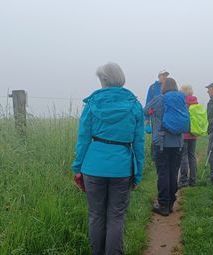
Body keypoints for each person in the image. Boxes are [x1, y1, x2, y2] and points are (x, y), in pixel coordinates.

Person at [71, 62, 145, 255]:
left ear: (103, 80)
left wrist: (77, 168)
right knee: (116, 217)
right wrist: (137, 174)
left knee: (96, 216)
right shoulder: (134, 106)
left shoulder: (92, 104)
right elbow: (138, 144)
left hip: (93, 167)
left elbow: (83, 139)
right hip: (121, 169)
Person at [144, 77, 184, 216]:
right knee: (173, 173)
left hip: (161, 143)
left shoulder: (159, 99)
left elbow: (146, 110)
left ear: (163, 87)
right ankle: (171, 202)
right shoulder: (181, 99)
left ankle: (163, 206)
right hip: (178, 143)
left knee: (163, 174)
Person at [145, 70, 170, 161]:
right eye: (163, 75)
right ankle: (154, 159)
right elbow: (148, 103)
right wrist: (147, 120)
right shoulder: (152, 87)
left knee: (166, 135)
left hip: (166, 115)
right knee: (155, 136)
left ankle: (164, 155)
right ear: (159, 76)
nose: (165, 77)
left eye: (166, 75)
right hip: (155, 116)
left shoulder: (169, 87)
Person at [178, 85, 198, 188]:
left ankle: (183, 180)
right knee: (192, 156)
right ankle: (193, 180)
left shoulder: (182, 102)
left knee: (184, 157)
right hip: (194, 133)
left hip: (184, 134)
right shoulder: (195, 102)